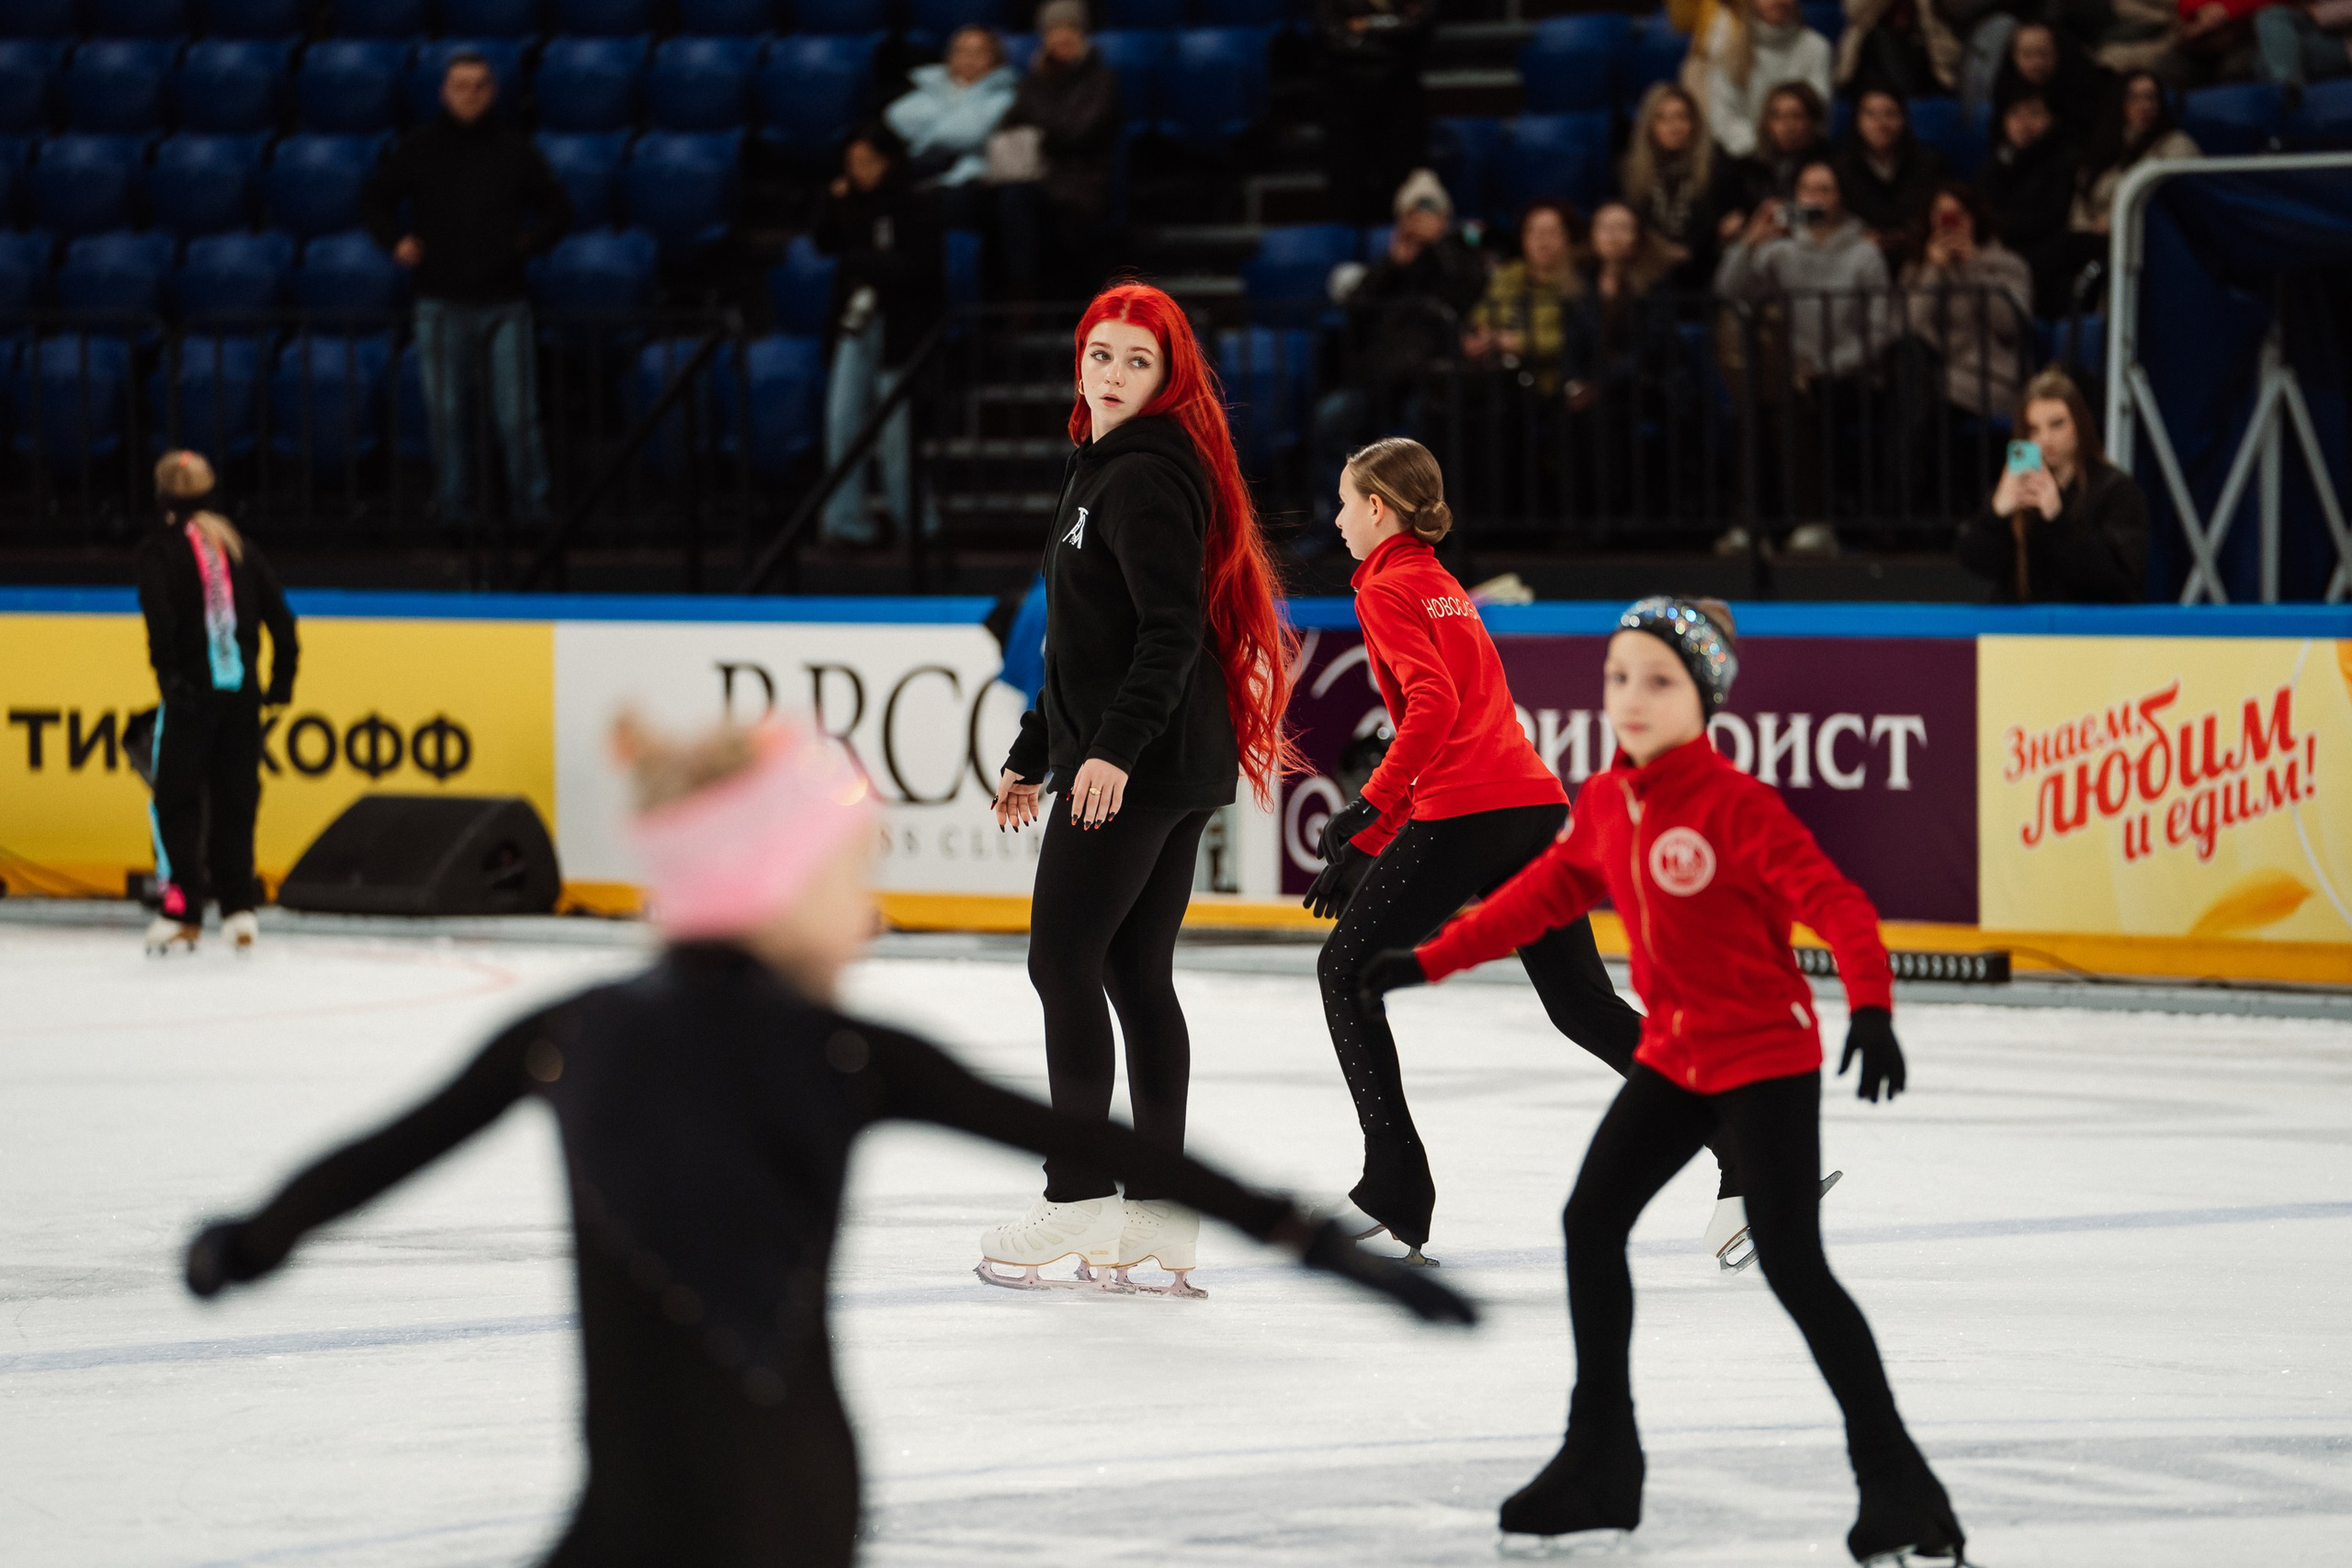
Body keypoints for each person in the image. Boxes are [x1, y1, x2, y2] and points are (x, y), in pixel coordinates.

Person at [181, 715, 1473, 1568]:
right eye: (843, 871)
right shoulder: (842, 1053)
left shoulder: (571, 1032)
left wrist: (255, 1238)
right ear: (768, 881)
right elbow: (1144, 1157)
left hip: (690, 1512)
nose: (864, 907)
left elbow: (377, 1155)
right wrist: (1320, 1245)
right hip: (783, 1502)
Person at [1357, 596, 1964, 1563]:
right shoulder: (1605, 801)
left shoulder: (1736, 807)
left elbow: (1839, 907)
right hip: (1677, 1058)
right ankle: (1601, 1461)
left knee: (1796, 1270)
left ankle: (1901, 1487)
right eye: (1616, 678)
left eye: (1657, 681)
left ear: (1704, 697)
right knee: (1589, 1223)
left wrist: (1876, 1010)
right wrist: (1424, 963)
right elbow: (1540, 897)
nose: (1629, 699)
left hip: (1765, 1061)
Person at [1304, 440, 1736, 1261]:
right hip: (1531, 808)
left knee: (1343, 972)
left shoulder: (1390, 588)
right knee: (1581, 1006)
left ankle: (1395, 1180)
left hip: (1470, 812)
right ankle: (1739, 1141)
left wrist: (1368, 806)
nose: (1337, 518)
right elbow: (1468, 719)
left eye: (1345, 503)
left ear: (1380, 511)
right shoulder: (1443, 589)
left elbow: (1432, 710)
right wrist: (1376, 836)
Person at [985, 283, 1300, 1292]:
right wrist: (1037, 748)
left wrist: (1109, 753)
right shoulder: (1103, 469)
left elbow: (1171, 635)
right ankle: (1160, 1215)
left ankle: (1076, 1197)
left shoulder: (1144, 478)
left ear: (1168, 378)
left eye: (1136, 360)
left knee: (1061, 962)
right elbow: (1084, 640)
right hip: (1155, 756)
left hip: (1145, 761)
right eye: (1100, 354)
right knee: (1127, 973)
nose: (1111, 373)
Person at [362, 51, 569, 528]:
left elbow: (558, 210)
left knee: (518, 418)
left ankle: (530, 513)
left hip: (505, 303)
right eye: (460, 85)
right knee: (447, 418)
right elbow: (375, 200)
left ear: (492, 92)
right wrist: (396, 240)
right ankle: (454, 515)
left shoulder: (515, 149)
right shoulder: (419, 148)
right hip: (438, 302)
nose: (469, 94)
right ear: (444, 92)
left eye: (479, 85)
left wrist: (528, 243)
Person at [133, 451, 297, 957]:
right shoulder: (238, 545)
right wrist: (280, 684)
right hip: (240, 694)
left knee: (175, 801)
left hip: (192, 697)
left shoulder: (160, 550)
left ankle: (182, 909)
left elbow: (160, 623)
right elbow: (284, 625)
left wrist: (170, 679)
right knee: (235, 799)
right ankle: (238, 909)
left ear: (162, 497)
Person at [1714, 157, 1891, 552]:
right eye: (1808, 190)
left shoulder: (1865, 254)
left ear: (1841, 198)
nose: (1817, 198)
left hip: (1847, 376)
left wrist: (1826, 368)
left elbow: (1879, 331)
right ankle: (1757, 528)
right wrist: (1749, 241)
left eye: (1825, 189)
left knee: (1783, 402)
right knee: (1761, 404)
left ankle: (1796, 523)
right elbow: (1728, 292)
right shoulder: (1777, 251)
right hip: (1783, 374)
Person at [1311, 170, 1488, 525]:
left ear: (1444, 219)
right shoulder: (1388, 264)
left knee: (1418, 438)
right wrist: (1394, 264)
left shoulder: (1458, 258)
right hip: (1376, 381)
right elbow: (1356, 313)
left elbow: (1465, 298)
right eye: (1413, 214)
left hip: (1430, 380)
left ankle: (1418, 526)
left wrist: (1436, 249)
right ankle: (1337, 519)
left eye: (1430, 214)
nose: (1420, 223)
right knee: (1329, 420)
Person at [814, 122, 944, 548]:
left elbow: (917, 269)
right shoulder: (848, 205)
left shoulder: (915, 207)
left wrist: (865, 261)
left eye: (868, 162)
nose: (859, 172)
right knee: (841, 425)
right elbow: (822, 240)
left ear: (889, 162)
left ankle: (915, 525)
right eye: (852, 164)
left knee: (896, 437)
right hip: (855, 326)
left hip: (901, 330)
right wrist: (833, 204)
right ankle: (846, 524)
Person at [1889, 183, 2034, 510]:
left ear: (1976, 218)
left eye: (1958, 216)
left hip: (1988, 380)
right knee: (1911, 405)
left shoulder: (2006, 265)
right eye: (1941, 217)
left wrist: (1972, 269)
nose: (1950, 224)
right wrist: (1933, 272)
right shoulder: (1918, 269)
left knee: (1918, 412)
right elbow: (1908, 328)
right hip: (1933, 381)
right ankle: (1910, 512)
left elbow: (2009, 326)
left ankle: (1912, 512)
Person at [1957, 366, 2148, 600]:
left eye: (2057, 424)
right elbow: (1977, 565)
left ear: (2079, 425)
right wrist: (1996, 515)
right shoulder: (2019, 485)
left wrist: (2057, 518)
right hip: (2025, 629)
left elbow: (2117, 581)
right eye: (2034, 429)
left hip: (2089, 630)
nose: (2045, 440)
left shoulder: (2116, 489)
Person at [991, 0, 1121, 301]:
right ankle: (1020, 292)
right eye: (1054, 30)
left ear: (1082, 33)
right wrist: (1046, 129)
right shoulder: (1033, 81)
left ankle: (1028, 296)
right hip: (1040, 177)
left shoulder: (1101, 80)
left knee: (1022, 203)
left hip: (1082, 182)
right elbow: (1010, 126)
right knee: (1004, 199)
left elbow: (1081, 132)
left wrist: (1040, 130)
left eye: (1070, 28)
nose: (1062, 36)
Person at [1316, 0, 1439, 225]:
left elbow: (1418, 27)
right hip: (1346, 98)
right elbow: (1331, 36)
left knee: (1401, 184)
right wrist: (1389, 34)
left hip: (1401, 95)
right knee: (1347, 188)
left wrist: (1366, 25)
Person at [884, 25, 1017, 212]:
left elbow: (971, 132)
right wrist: (954, 115)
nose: (969, 59)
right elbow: (896, 117)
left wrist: (925, 139)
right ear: (950, 57)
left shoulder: (1005, 96)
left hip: (970, 178)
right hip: (920, 173)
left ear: (995, 59)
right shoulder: (933, 84)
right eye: (962, 51)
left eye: (979, 53)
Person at [1462, 201, 1586, 397]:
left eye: (1551, 232)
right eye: (1533, 232)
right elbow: (1482, 312)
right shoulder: (1509, 274)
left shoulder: (1577, 283)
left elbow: (1573, 341)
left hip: (1545, 383)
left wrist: (1516, 343)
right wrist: (1481, 336)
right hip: (1496, 373)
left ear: (1569, 237)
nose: (1542, 241)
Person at [1619, 83, 1732, 293]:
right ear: (1650, 126)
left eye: (1681, 117)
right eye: (1663, 119)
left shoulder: (1716, 163)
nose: (1674, 126)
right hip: (1648, 262)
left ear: (1694, 123)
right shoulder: (1630, 169)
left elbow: (1716, 219)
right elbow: (1633, 218)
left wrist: (1685, 251)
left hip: (1703, 262)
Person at [1978, 86, 2081, 313]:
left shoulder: (2065, 161)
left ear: (2053, 119)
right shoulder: (1995, 164)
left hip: (2044, 256)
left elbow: (2056, 215)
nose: (2024, 123)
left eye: (2034, 113)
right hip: (2000, 250)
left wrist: (2004, 228)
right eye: (2015, 114)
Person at [1699, 0, 1837, 157]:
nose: (1777, 2)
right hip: (1747, 159)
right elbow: (1724, 119)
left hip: (1805, 157)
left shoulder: (1817, 48)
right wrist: (1764, 148)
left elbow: (1818, 112)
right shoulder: (1729, 52)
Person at [2070, 69, 2200, 236]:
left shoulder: (2176, 144)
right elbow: (2080, 204)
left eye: (2151, 98)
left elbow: (2173, 201)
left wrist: (2113, 220)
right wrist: (2086, 231)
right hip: (2092, 238)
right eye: (2135, 98)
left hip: (2143, 237)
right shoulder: (2104, 147)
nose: (2144, 106)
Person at [1832, 87, 1949, 264]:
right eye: (1871, 115)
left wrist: (1908, 235)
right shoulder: (1839, 167)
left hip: (1917, 254)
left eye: (1890, 114)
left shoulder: (1928, 162)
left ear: (1904, 119)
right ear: (1857, 121)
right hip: (1855, 257)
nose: (1881, 123)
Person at [1722, 82, 1834, 230]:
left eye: (1796, 116)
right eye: (1778, 116)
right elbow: (1734, 217)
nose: (1787, 126)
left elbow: (1827, 214)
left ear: (1812, 120)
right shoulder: (1750, 167)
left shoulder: (1831, 162)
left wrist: (1780, 215)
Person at [1837, 0, 1965, 100]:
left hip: (1926, 52)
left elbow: (1958, 10)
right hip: (1871, 58)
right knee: (1881, 38)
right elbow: (1854, 11)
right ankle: (1905, 106)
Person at [2254, 0, 2352, 90]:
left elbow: (2331, 18)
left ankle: (2286, 87)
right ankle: (2286, 85)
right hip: (2323, 31)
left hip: (2344, 45)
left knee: (2267, 61)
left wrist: (2312, 10)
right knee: (2271, 16)